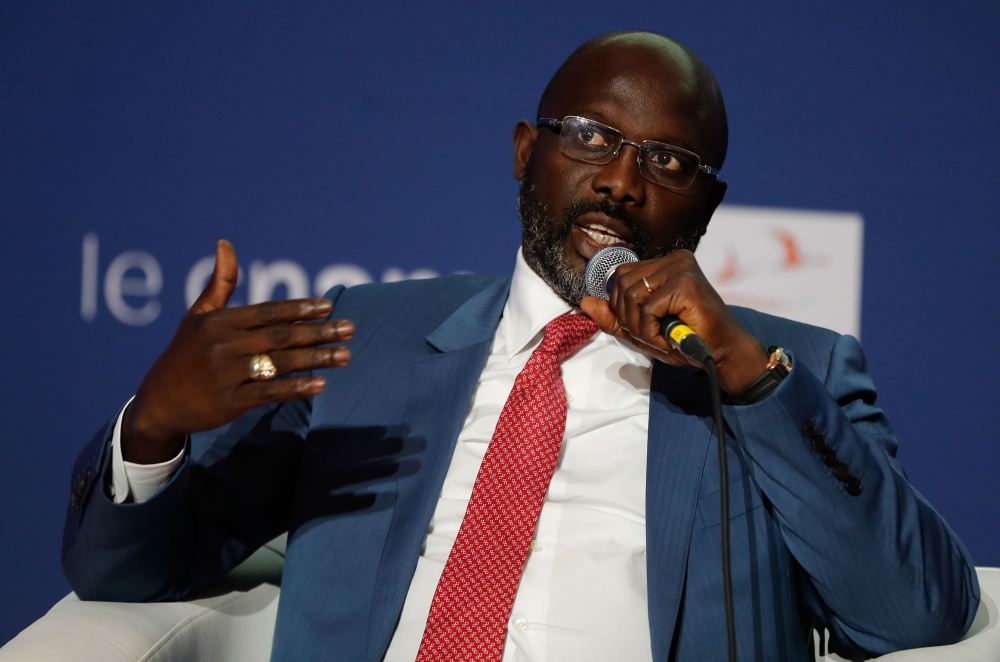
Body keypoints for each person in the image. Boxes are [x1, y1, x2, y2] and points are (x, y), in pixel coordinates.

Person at [61, 31, 978, 662]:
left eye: (668, 161)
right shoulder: (367, 342)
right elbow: (129, 570)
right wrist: (153, 431)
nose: (620, 181)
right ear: (522, 152)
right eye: (590, 136)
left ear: (705, 207)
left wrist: (744, 375)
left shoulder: (785, 370)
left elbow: (914, 612)